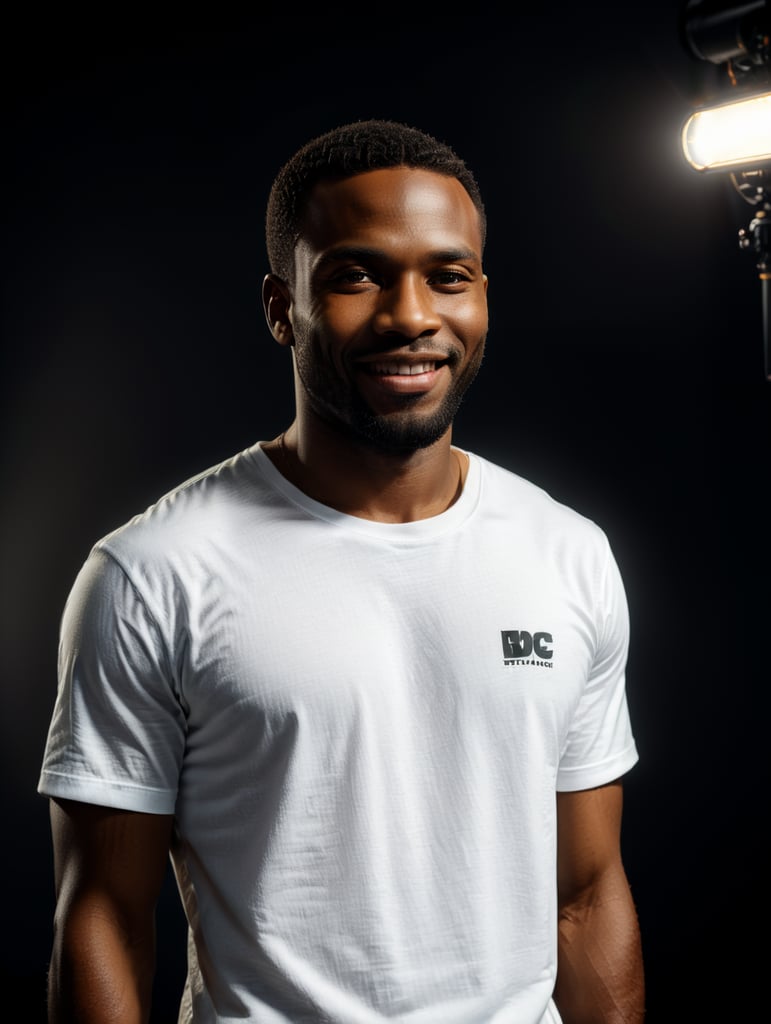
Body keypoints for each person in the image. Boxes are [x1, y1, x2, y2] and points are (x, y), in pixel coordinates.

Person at [38, 118, 645, 1024]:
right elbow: (105, 917)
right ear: (283, 307)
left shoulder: (566, 552)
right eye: (358, 275)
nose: (411, 316)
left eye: (448, 276)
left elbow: (587, 896)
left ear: (482, 295)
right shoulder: (150, 575)